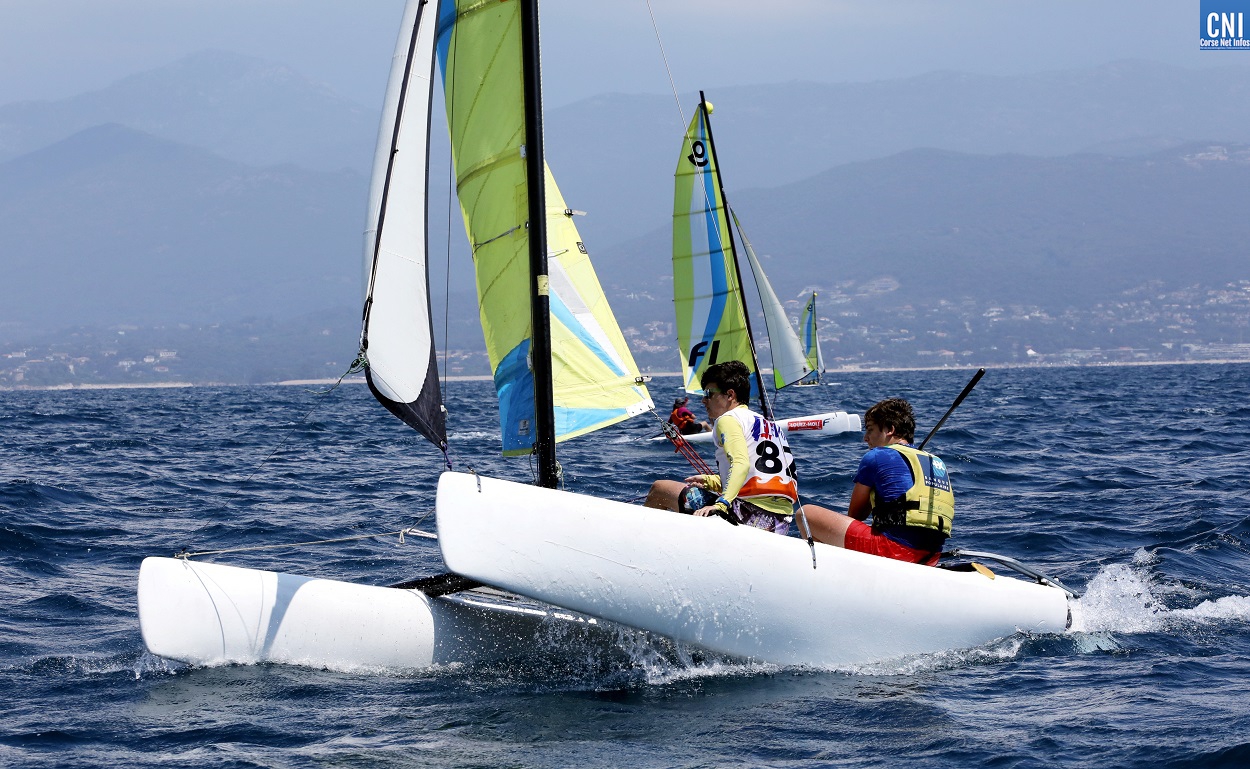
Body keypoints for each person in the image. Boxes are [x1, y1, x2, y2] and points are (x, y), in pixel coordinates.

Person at [645, 360, 797, 534]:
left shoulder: (728, 419)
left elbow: (741, 463)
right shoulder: (770, 426)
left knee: (660, 489)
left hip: (747, 516)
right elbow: (759, 476)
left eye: (709, 393)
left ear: (730, 395)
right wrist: (712, 481)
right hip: (780, 524)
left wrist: (722, 504)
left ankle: (642, 541)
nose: (703, 400)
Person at [799, 398, 953, 566]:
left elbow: (856, 516)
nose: (865, 438)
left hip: (892, 551)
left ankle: (824, 571)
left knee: (805, 514)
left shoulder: (877, 456)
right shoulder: (935, 462)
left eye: (870, 430)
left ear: (890, 430)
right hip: (931, 557)